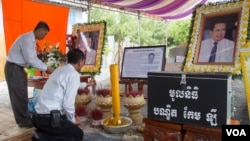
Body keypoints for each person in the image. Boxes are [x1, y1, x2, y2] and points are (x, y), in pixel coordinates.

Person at [32, 49, 96, 141]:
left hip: (37, 118)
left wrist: (87, 84)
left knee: (66, 128)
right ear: (80, 62)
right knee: (77, 134)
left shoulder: (59, 70)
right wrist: (73, 120)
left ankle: (41, 134)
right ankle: (43, 137)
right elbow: (68, 104)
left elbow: (69, 85)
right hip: (50, 120)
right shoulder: (74, 75)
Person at [4, 21, 54, 128]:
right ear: (39, 30)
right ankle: (23, 121)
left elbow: (32, 57)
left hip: (18, 68)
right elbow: (30, 59)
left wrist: (43, 61)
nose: (44, 36)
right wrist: (47, 68)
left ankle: (24, 118)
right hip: (14, 68)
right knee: (18, 95)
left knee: (22, 94)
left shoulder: (31, 40)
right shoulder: (26, 39)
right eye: (44, 34)